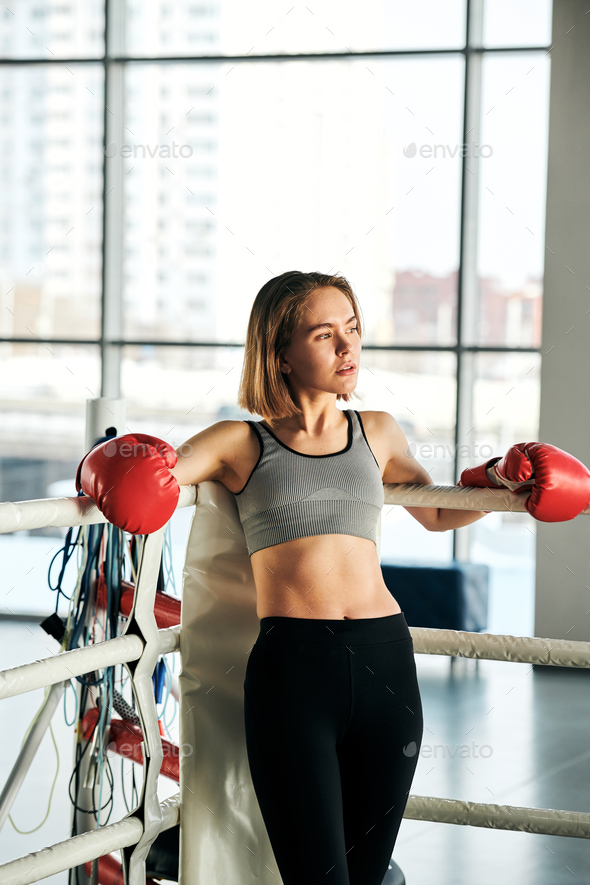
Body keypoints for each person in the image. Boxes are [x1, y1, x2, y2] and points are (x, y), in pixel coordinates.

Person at [76, 270, 590, 885]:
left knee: (366, 876)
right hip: (294, 670)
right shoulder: (238, 442)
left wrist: (504, 481)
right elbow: (154, 478)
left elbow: (434, 510)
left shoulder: (378, 430)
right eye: (325, 335)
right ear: (280, 353)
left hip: (387, 663)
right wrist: (112, 467)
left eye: (352, 330)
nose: (348, 349)